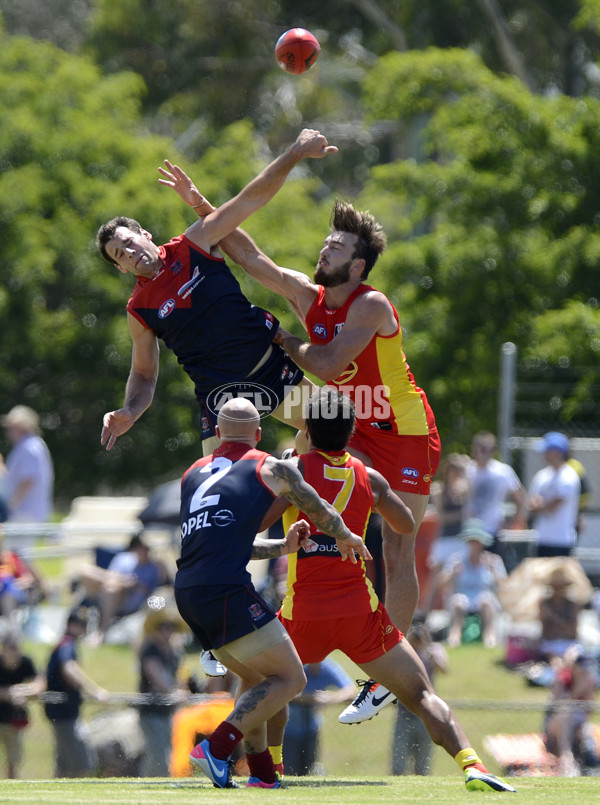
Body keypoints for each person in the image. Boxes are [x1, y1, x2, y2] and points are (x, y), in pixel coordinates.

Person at [169, 181, 442, 720]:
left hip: (405, 432)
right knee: (289, 468)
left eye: (337, 247)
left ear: (359, 267)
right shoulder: (309, 295)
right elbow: (251, 258)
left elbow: (323, 363)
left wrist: (279, 338)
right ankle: (228, 606)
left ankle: (384, 674)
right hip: (351, 429)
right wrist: (204, 208)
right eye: (325, 243)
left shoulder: (371, 305)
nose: (324, 250)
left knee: (397, 543)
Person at [265, 388, 515, 793]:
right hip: (361, 616)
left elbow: (260, 523)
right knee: (420, 693)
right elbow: (402, 524)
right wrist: (370, 498)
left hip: (302, 615)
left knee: (270, 687)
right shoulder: (370, 477)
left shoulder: (293, 472)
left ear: (306, 430)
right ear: (351, 433)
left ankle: (272, 770)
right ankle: (472, 764)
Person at [96, 129, 338, 456]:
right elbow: (143, 373)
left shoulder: (193, 244)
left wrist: (294, 152)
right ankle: (287, 471)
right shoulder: (139, 309)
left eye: (128, 242)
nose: (128, 253)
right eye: (119, 255)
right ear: (120, 268)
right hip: (221, 400)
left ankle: (295, 462)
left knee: (337, 426)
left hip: (272, 371)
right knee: (221, 492)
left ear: (145, 235)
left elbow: (249, 200)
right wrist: (130, 411)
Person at [174, 397, 369, 789]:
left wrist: (282, 548)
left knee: (258, 680)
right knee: (291, 679)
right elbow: (318, 508)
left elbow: (226, 544)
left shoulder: (192, 473)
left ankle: (263, 776)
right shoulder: (270, 465)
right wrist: (346, 535)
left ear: (216, 434)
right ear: (258, 435)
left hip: (188, 592)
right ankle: (217, 747)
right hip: (225, 590)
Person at [44, 607, 109, 777]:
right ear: (69, 624)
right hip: (65, 713)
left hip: (63, 712)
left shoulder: (64, 644)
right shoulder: (67, 645)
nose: (81, 628)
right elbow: (69, 669)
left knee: (64, 764)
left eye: (83, 624)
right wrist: (94, 691)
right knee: (84, 763)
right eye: (78, 624)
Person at [72, 533, 169, 644]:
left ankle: (101, 631)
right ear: (135, 548)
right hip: (107, 590)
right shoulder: (124, 558)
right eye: (142, 548)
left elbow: (156, 587)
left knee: (111, 589)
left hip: (129, 601)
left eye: (148, 549)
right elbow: (112, 577)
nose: (146, 552)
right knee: (84, 571)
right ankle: (78, 623)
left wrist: (133, 585)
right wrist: (124, 580)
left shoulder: (154, 567)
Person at [391, 618, 449, 776]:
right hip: (404, 714)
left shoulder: (434, 649)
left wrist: (427, 647)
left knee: (423, 766)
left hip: (426, 715)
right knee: (398, 765)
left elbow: (443, 669)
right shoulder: (403, 650)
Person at [137, 606, 189, 777]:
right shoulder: (150, 650)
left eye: (171, 627)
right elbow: (157, 676)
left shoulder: (173, 651)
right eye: (162, 627)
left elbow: (180, 675)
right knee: (157, 755)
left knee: (166, 753)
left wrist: (181, 691)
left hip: (168, 713)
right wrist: (173, 692)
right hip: (151, 712)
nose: (167, 631)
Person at [439, 519, 507, 648]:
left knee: (485, 601)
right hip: (463, 595)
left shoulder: (493, 560)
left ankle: (489, 636)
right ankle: (454, 636)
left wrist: (493, 572)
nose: (473, 545)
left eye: (476, 542)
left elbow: (505, 585)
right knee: (459, 602)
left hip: (485, 596)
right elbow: (441, 584)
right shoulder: (456, 560)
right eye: (470, 541)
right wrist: (453, 574)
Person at [283, 658, 355, 776]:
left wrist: (330, 697)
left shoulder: (327, 667)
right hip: (288, 731)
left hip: (312, 729)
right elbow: (285, 691)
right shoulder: (296, 665)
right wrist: (312, 698)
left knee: (308, 770)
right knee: (289, 770)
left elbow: (350, 691)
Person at [423, 452, 471, 612]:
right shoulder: (438, 490)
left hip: (460, 539)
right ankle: (425, 616)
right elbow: (442, 517)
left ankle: (455, 615)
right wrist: (460, 515)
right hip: (444, 539)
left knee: (457, 578)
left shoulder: (464, 491)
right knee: (436, 579)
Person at [466, 431, 527, 551]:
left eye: (492, 449)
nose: (488, 453)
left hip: (492, 531)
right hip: (469, 532)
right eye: (484, 449)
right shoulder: (467, 470)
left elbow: (520, 496)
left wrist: (515, 522)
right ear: (475, 449)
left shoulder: (503, 471)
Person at [543, 643, 598, 776]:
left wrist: (586, 688)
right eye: (579, 662)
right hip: (555, 724)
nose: (582, 667)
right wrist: (577, 690)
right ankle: (567, 758)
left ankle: (585, 761)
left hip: (578, 727)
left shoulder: (588, 681)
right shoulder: (561, 678)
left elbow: (589, 711)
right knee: (567, 713)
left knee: (584, 727)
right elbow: (558, 706)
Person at [0, 405, 53, 535]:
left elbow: (29, 479)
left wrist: (11, 505)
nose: (9, 430)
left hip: (25, 512)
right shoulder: (29, 445)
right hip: (25, 512)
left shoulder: (29, 447)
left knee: (18, 552)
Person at [0, 629, 45, 778]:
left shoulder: (26, 662)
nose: (14, 653)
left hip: (14, 719)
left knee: (14, 759)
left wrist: (24, 690)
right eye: (11, 648)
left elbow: (40, 683)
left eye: (16, 648)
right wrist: (7, 693)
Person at [529, 432, 581, 558]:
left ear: (557, 452)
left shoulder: (568, 476)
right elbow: (531, 505)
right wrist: (543, 504)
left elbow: (553, 507)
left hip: (561, 541)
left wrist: (541, 504)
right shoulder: (541, 476)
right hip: (542, 538)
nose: (543, 453)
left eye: (547, 450)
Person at [538, 565, 584, 661]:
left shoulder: (573, 605)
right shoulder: (544, 603)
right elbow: (545, 631)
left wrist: (553, 618)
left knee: (571, 657)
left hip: (569, 643)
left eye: (562, 587)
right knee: (554, 659)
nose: (560, 590)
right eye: (557, 587)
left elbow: (573, 630)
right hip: (550, 643)